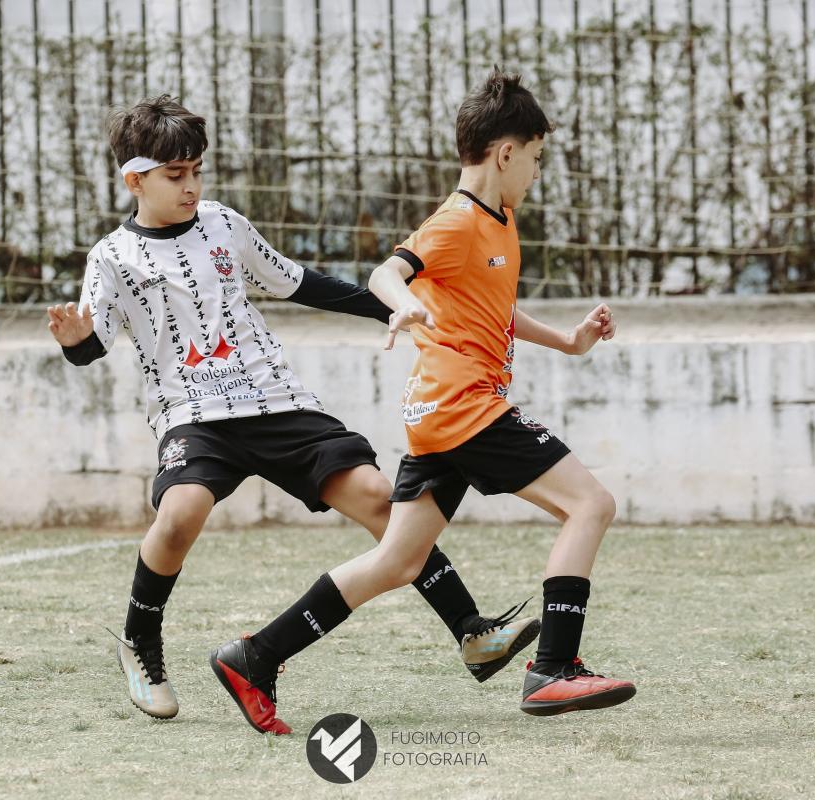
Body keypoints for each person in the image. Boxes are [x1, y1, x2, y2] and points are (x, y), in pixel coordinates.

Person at [46, 95, 539, 728]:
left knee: (379, 499)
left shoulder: (224, 225)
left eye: (197, 171)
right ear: (134, 180)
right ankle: (141, 641)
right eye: (175, 175)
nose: (191, 186)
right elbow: (92, 343)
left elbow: (300, 282)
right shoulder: (111, 257)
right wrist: (74, 341)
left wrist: (394, 309)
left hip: (275, 400)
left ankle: (471, 630)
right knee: (180, 515)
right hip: (193, 414)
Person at [212, 69, 634, 733]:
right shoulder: (456, 221)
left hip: (439, 415)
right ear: (505, 153)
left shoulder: (500, 222)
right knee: (590, 504)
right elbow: (388, 272)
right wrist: (404, 304)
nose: (536, 172)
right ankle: (554, 668)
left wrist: (568, 342)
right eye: (536, 158)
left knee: (398, 560)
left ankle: (254, 656)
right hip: (466, 409)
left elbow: (493, 308)